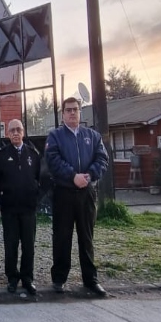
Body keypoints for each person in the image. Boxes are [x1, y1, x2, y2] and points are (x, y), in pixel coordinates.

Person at [45, 97, 109, 296]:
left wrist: (88, 176)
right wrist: (72, 176)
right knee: (62, 237)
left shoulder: (93, 136)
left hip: (86, 194)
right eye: (68, 110)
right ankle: (59, 279)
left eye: (75, 109)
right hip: (64, 193)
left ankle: (91, 280)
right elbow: (53, 160)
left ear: (80, 112)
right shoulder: (55, 136)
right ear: (62, 114)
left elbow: (102, 159)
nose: (72, 113)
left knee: (86, 237)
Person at [0, 119, 40, 296]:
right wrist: (2, 199)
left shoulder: (33, 154)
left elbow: (39, 178)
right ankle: (12, 278)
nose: (15, 133)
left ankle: (27, 278)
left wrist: (34, 196)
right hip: (10, 209)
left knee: (29, 245)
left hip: (28, 208)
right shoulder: (1, 155)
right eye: (12, 130)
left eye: (18, 129)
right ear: (7, 134)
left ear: (23, 132)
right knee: (11, 245)